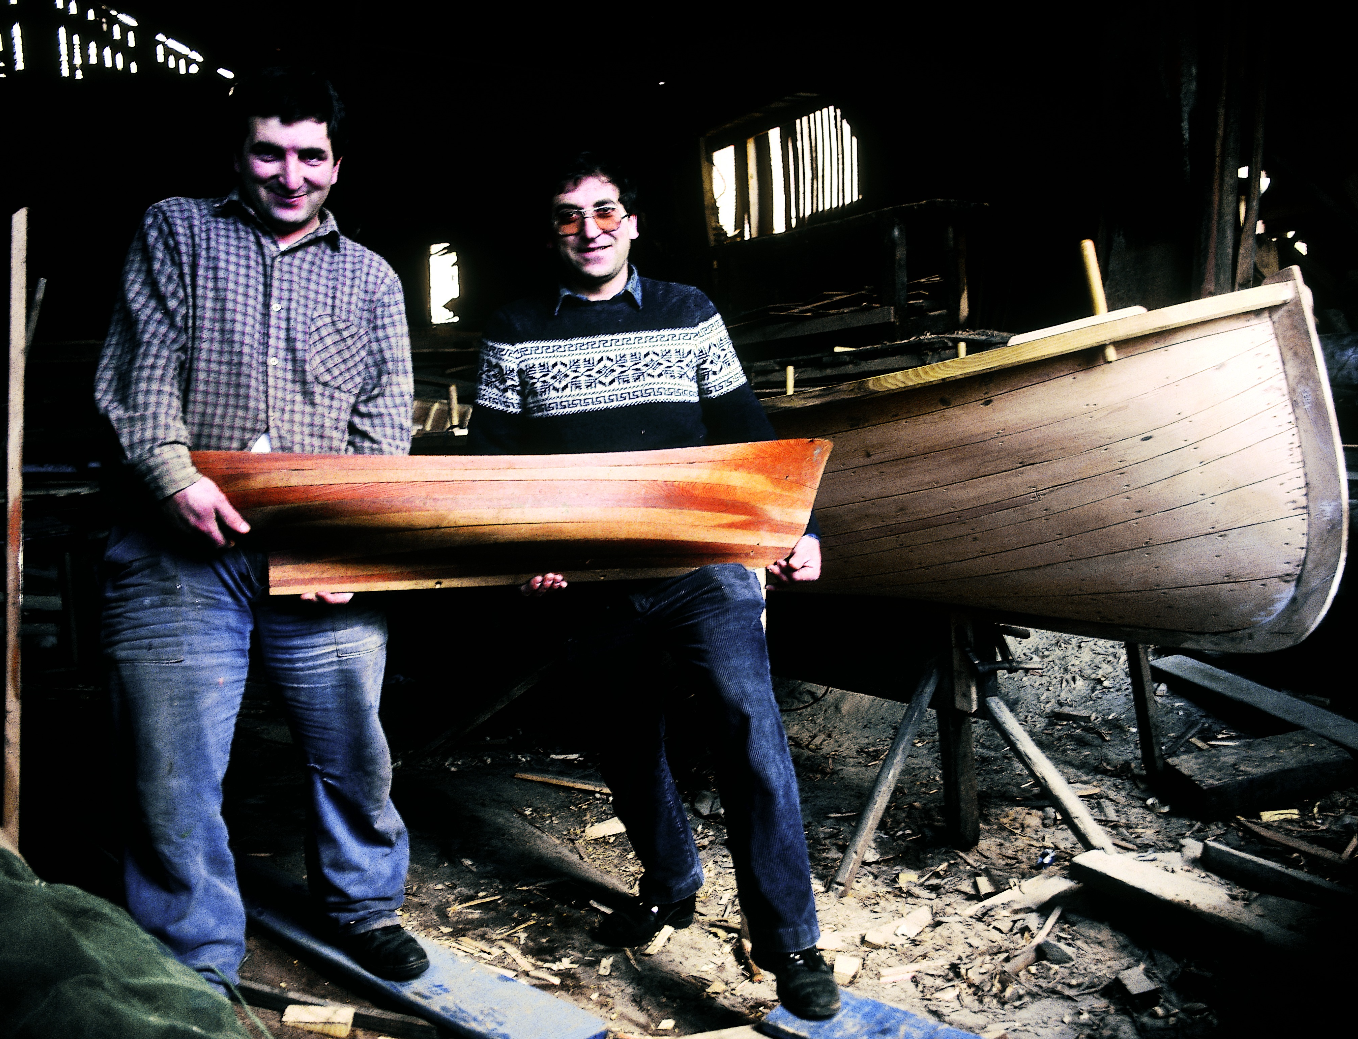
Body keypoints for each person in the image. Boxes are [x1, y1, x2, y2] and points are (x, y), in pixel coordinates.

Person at [467, 155, 839, 1020]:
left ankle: (790, 944)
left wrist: (801, 530)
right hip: (589, 579)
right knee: (628, 744)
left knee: (749, 735)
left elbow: (747, 434)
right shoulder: (515, 330)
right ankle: (672, 886)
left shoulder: (687, 312)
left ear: (632, 223)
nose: (590, 229)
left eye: (605, 211)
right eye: (569, 215)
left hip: (702, 569)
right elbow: (489, 467)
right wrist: (524, 558)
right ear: (552, 233)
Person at [93, 67, 427, 994]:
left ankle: (363, 907)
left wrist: (352, 543)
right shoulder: (178, 231)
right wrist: (173, 477)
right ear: (239, 156)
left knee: (351, 746)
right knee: (170, 763)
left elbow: (382, 426)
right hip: (179, 549)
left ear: (337, 165)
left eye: (311, 156)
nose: (290, 174)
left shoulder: (370, 278)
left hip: (317, 547)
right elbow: (141, 373)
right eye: (269, 152)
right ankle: (196, 955)